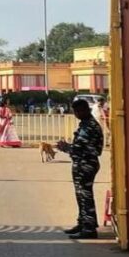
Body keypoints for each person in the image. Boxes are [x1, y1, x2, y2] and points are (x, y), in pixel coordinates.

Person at [56, 98, 104, 239]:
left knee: (85, 196)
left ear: (83, 110)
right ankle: (83, 223)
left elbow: (80, 148)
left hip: (86, 164)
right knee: (82, 195)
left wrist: (66, 147)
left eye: (77, 111)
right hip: (83, 163)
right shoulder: (86, 124)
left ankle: (89, 229)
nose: (76, 114)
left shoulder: (89, 126)